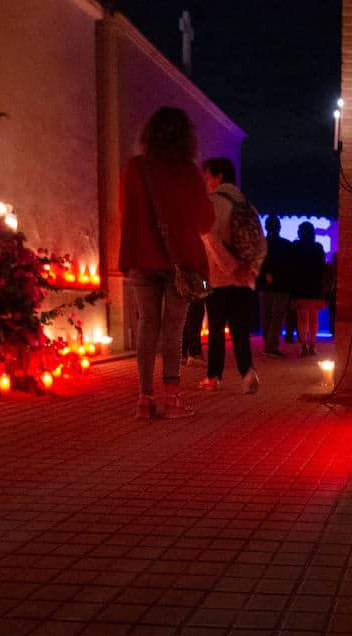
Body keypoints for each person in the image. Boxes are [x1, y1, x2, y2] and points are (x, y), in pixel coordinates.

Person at [117, 106, 214, 419]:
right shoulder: (188, 172)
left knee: (147, 326)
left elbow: (126, 215)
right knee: (173, 331)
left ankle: (144, 399)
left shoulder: (136, 168)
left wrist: (127, 259)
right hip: (181, 263)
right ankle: (171, 399)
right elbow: (205, 222)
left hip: (142, 260)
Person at [199, 157, 264, 393]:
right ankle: (247, 374)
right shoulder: (248, 205)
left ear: (218, 177)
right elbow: (260, 244)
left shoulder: (212, 202)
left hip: (217, 277)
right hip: (245, 280)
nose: (206, 182)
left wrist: (230, 268)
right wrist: (250, 270)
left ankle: (214, 377)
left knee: (216, 328)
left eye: (207, 177)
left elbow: (210, 237)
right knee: (240, 329)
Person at [288, 222, 326, 357]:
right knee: (314, 317)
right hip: (315, 287)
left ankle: (303, 346)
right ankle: (313, 345)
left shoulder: (296, 246)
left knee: (302, 318)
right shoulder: (318, 247)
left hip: (300, 286)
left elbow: (291, 268)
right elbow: (322, 268)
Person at [257, 216, 293, 359]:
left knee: (266, 316)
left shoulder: (261, 243)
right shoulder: (286, 244)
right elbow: (290, 267)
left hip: (264, 286)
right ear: (279, 227)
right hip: (282, 286)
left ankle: (269, 344)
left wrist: (266, 274)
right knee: (277, 317)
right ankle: (271, 346)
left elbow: (257, 263)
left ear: (266, 227)